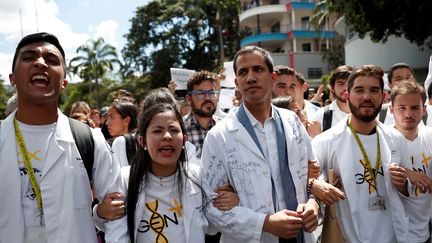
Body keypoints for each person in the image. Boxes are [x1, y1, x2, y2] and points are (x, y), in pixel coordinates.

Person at [0, 32, 120, 242]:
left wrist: (98, 213)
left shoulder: (89, 140)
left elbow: (118, 209)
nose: (40, 63)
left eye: (51, 60)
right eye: (29, 57)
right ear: (13, 79)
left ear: (64, 82)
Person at [200, 46, 319, 242]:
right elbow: (211, 206)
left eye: (258, 69)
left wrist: (313, 204)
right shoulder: (219, 136)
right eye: (243, 72)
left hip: (301, 235)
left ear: (272, 78)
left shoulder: (292, 122)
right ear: (237, 82)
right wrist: (265, 223)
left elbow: (313, 173)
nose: (250, 77)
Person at [100, 103, 239, 243]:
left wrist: (232, 203)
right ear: (143, 142)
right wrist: (99, 212)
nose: (167, 136)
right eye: (157, 131)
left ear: (184, 140)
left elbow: (215, 225)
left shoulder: (199, 177)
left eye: (173, 130)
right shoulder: (124, 180)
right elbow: (116, 236)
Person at [312, 64, 410, 242]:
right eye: (359, 90)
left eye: (374, 90)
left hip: (393, 236)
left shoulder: (396, 139)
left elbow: (407, 192)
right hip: (348, 236)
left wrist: (403, 184)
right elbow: (308, 182)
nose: (367, 97)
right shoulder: (325, 142)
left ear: (384, 96)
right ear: (347, 96)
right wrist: (319, 185)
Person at [388, 80, 432, 242]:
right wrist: (407, 173)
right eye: (402, 108)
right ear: (392, 110)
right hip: (392, 235)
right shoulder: (382, 140)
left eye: (415, 108)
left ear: (424, 109)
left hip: (423, 233)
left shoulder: (429, 135)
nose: (408, 114)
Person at [183, 70, 221, 159]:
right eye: (200, 93)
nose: (207, 98)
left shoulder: (225, 127)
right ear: (189, 99)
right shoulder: (179, 130)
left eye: (211, 92)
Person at [311, 65, 353, 132]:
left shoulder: (366, 114)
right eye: (341, 83)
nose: (345, 88)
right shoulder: (321, 116)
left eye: (350, 83)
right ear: (332, 88)